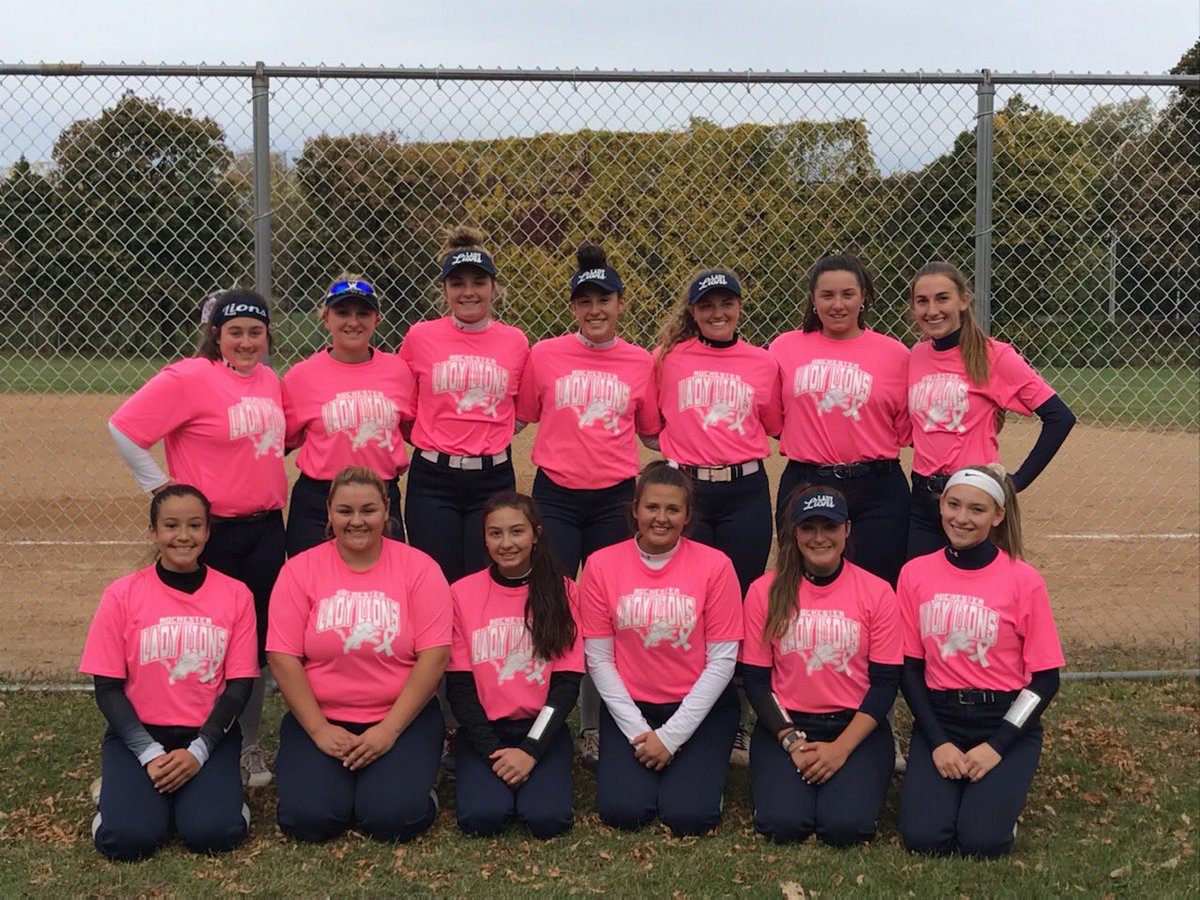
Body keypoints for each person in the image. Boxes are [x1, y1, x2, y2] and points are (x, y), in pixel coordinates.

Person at [109, 288, 286, 788]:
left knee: (252, 647)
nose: (247, 342)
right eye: (236, 332)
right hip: (215, 532)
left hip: (268, 527)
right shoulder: (189, 377)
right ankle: (188, 736)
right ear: (216, 334)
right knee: (208, 642)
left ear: (268, 335)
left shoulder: (270, 380)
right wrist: (162, 487)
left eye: (256, 332)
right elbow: (123, 427)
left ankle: (246, 745)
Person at [516, 242, 659, 770]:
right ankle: (540, 714)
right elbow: (522, 415)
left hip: (615, 499)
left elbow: (652, 433)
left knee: (609, 610)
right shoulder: (544, 354)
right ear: (573, 307)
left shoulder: (641, 361)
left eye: (605, 300)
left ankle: (597, 726)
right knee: (553, 602)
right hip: (555, 493)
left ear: (621, 303)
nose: (595, 310)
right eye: (584, 302)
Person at [266, 466, 452, 843]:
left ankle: (410, 786)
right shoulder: (299, 570)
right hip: (323, 716)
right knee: (309, 821)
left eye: (368, 510)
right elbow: (283, 656)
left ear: (386, 511)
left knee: (391, 820)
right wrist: (318, 729)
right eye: (345, 511)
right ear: (329, 513)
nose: (356, 521)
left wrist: (389, 730)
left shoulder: (420, 569)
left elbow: (434, 656)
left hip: (401, 718)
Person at [80, 485, 259, 861]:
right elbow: (108, 688)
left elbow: (240, 685)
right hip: (139, 737)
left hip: (207, 736)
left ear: (208, 531)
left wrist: (199, 750)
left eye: (195, 525)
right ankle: (115, 799)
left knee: (215, 834)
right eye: (171, 525)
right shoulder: (121, 595)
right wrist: (147, 752)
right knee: (127, 840)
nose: (183, 536)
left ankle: (223, 793)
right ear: (153, 532)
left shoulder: (236, 595)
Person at [897, 465, 1064, 858]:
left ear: (997, 516)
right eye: (953, 505)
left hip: (1003, 719)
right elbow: (909, 669)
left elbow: (1044, 680)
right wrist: (937, 742)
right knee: (924, 839)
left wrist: (999, 744)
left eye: (976, 510)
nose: (961, 518)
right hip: (942, 718)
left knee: (982, 843)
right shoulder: (914, 574)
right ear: (940, 507)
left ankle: (994, 803)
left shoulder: (1023, 580)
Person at [654, 267, 783, 766]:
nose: (717, 313)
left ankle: (739, 720)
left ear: (740, 307)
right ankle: (685, 707)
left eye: (726, 303)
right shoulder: (667, 359)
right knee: (686, 600)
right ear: (692, 312)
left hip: (744, 489)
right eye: (707, 306)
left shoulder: (763, 362)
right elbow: (652, 423)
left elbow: (771, 424)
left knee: (743, 601)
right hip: (687, 490)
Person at [579, 461, 743, 837]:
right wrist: (640, 732)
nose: (661, 518)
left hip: (700, 710)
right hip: (632, 710)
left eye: (673, 509)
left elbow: (722, 661)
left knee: (689, 817)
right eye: (652, 507)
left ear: (687, 516)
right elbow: (599, 659)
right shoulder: (602, 565)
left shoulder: (716, 566)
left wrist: (670, 738)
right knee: (624, 812)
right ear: (635, 508)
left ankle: (698, 782)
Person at [740, 485, 902, 846]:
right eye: (808, 528)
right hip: (787, 726)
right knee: (783, 825)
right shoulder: (764, 591)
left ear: (846, 529)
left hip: (854, 728)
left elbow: (884, 685)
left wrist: (840, 749)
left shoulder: (877, 592)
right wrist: (792, 741)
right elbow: (756, 681)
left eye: (829, 527)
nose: (819, 538)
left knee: (845, 829)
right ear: (793, 533)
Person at [906, 262, 1076, 559]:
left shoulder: (993, 355)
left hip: (973, 497)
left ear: (963, 300)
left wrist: (1016, 481)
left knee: (979, 593)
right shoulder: (916, 355)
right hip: (922, 499)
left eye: (942, 298)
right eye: (923, 301)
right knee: (920, 593)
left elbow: (1059, 417)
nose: (932, 310)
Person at [446, 493, 583, 839]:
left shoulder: (564, 592)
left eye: (517, 532)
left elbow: (566, 686)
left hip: (541, 732)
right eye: (495, 533)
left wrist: (530, 751)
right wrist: (493, 750)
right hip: (484, 733)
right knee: (482, 818)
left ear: (536, 534)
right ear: (484, 538)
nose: (506, 543)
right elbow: (460, 687)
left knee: (548, 821)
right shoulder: (461, 593)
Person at [770, 254, 911, 589]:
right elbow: (773, 419)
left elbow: (906, 427)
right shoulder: (783, 348)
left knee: (880, 587)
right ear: (813, 300)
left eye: (848, 294)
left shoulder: (895, 355)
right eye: (827, 295)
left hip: (878, 486)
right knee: (802, 586)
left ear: (863, 297)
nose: (838, 304)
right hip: (807, 479)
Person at [399, 226, 529, 586]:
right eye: (457, 283)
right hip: (433, 478)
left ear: (493, 288)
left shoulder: (515, 341)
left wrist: (490, 434)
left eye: (478, 282)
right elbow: (408, 408)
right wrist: (438, 435)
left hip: (493, 477)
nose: (468, 292)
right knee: (435, 580)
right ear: (444, 290)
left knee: (488, 579)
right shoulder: (420, 337)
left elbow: (521, 409)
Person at [282, 275, 416, 557]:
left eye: (363, 313)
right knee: (310, 583)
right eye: (342, 313)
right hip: (319, 498)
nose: (353, 322)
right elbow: (287, 439)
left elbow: (409, 428)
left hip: (380, 495)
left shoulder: (399, 371)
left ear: (377, 319)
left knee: (383, 583)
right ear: (326, 318)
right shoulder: (301, 377)